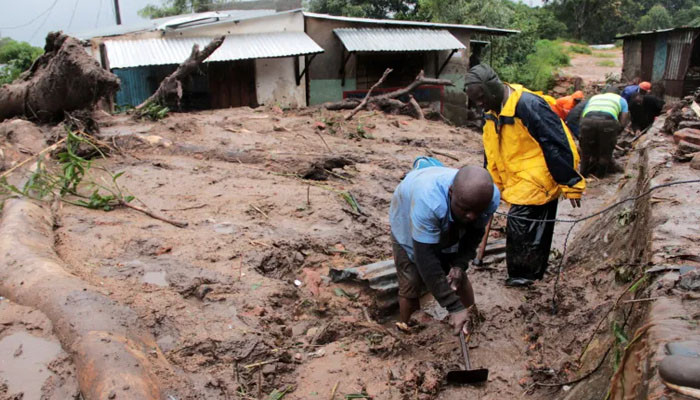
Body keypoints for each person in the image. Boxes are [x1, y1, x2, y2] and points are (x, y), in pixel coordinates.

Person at [464, 64, 585, 287]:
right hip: (516, 175)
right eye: (475, 100)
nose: (479, 104)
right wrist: (492, 183)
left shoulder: (528, 105)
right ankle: (528, 272)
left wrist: (570, 181)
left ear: (493, 88)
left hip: (539, 175)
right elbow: (491, 149)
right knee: (531, 229)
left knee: (521, 222)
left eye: (481, 98)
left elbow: (556, 143)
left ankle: (524, 278)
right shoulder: (491, 111)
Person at [389, 162, 500, 336]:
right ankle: (410, 333)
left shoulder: (488, 198)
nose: (471, 216)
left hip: (446, 211)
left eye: (477, 211)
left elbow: (474, 235)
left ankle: (470, 321)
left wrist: (459, 265)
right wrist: (454, 307)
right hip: (407, 210)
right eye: (465, 209)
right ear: (451, 193)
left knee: (457, 276)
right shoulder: (429, 202)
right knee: (411, 280)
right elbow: (425, 259)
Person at [579, 91, 630, 177]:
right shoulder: (622, 100)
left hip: (587, 121)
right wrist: (614, 135)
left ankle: (582, 175)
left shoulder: (594, 97)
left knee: (585, 153)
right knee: (605, 154)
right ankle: (600, 178)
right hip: (608, 122)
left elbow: (583, 115)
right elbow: (623, 121)